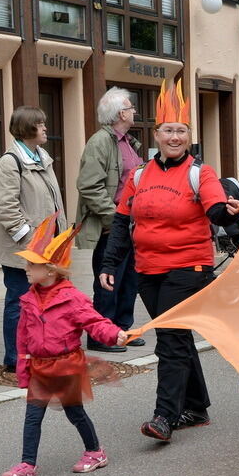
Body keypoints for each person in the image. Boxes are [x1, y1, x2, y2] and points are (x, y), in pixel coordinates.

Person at [99, 80, 239, 442]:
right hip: (147, 270)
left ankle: (165, 415)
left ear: (188, 136)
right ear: (157, 134)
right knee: (177, 338)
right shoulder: (140, 175)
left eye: (180, 131)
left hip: (189, 267)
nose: (174, 137)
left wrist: (226, 214)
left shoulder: (201, 172)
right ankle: (197, 407)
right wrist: (108, 265)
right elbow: (121, 222)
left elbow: (214, 208)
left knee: (170, 339)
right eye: (167, 130)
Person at [1, 217, 129, 476]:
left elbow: (95, 322)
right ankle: (27, 465)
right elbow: (22, 340)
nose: (25, 269)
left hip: (66, 366)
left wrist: (115, 334)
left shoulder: (72, 299)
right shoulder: (28, 300)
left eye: (31, 265)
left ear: (49, 270)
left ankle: (95, 451)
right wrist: (24, 372)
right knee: (32, 416)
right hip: (40, 368)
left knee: (75, 413)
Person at [0, 105, 66, 376]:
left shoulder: (41, 156)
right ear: (27, 129)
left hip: (45, 246)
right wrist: (28, 237)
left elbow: (50, 201)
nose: (46, 128)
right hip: (23, 250)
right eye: (40, 124)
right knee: (18, 300)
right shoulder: (9, 162)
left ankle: (35, 351)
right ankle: (15, 359)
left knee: (39, 302)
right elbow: (5, 207)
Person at [75, 87, 145, 353]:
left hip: (131, 224)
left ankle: (121, 331)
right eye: (130, 107)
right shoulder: (100, 142)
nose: (134, 111)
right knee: (108, 281)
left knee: (129, 280)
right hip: (112, 225)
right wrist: (114, 217)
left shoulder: (127, 141)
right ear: (119, 113)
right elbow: (89, 185)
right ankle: (101, 335)